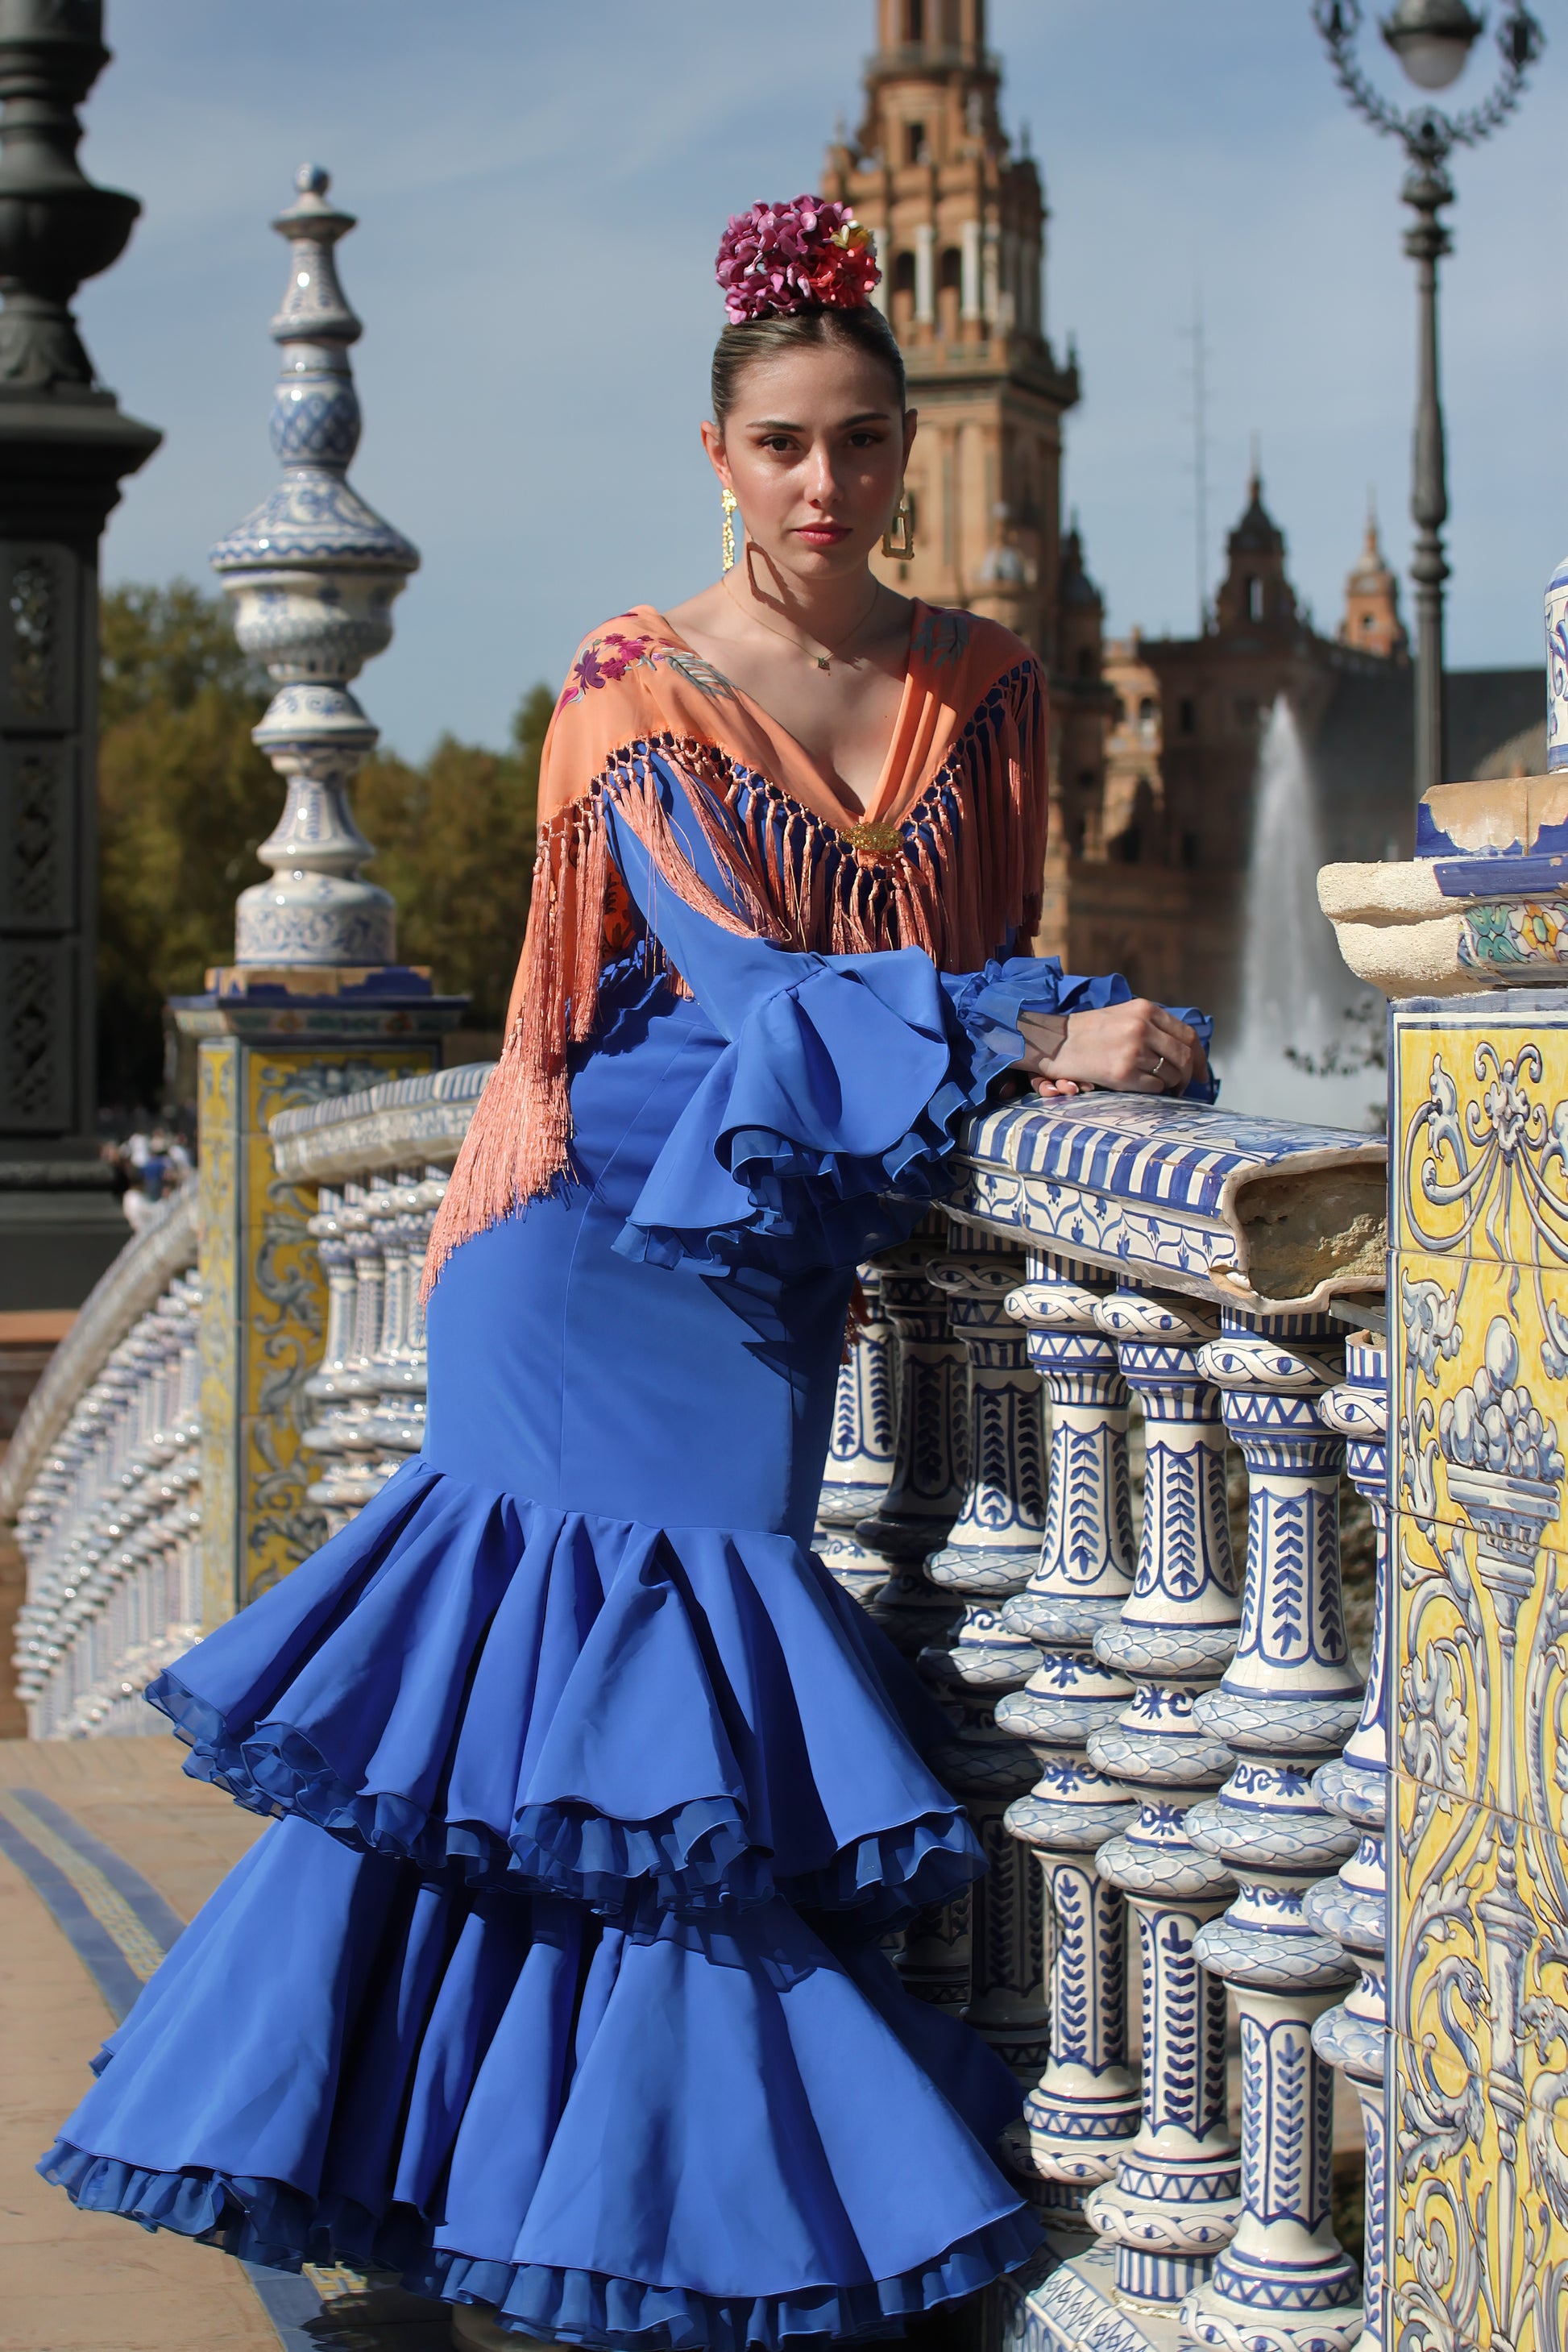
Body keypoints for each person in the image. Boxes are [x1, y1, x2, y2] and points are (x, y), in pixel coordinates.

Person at [39, 198, 1212, 2350]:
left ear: (906, 448)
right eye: (782, 442)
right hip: (586, 1263)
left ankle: (586, 2212)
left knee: (645, 1787)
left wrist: (1040, 1024)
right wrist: (1039, 1036)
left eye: (862, 438)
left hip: (766, 1287)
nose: (825, 481)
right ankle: (603, 2231)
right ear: (717, 455)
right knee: (544, 1771)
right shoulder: (632, 688)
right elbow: (761, 990)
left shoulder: (985, 686)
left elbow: (972, 949)